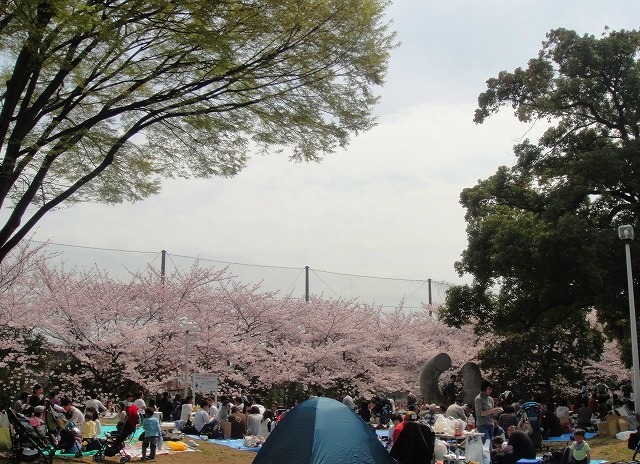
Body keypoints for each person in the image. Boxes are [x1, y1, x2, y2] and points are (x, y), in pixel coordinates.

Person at [474, 380, 502, 444]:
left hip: (490, 424)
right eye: (489, 389)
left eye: (491, 389)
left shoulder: (490, 399)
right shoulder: (478, 399)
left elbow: (492, 414)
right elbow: (480, 413)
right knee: (487, 444)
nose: (490, 391)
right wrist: (492, 410)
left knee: (490, 443)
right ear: (484, 389)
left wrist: (496, 411)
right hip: (482, 425)